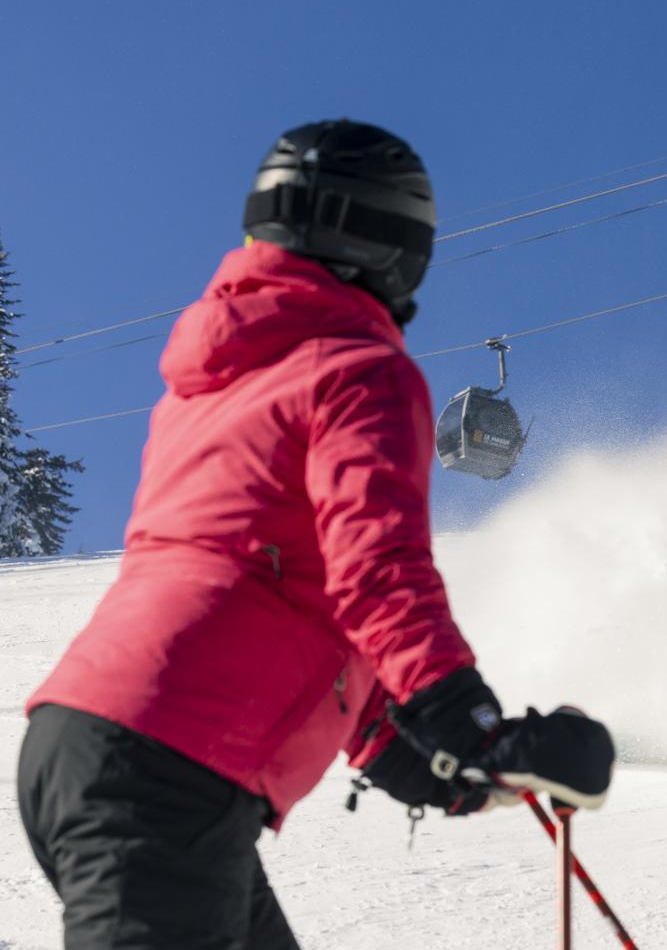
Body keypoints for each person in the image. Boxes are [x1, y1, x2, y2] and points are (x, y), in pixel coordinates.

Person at [18, 120, 615, 950]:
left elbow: (307, 611)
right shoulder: (358, 370)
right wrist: (470, 726)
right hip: (163, 768)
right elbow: (377, 572)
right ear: (392, 241)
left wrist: (457, 773)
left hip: (95, 747)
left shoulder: (209, 390)